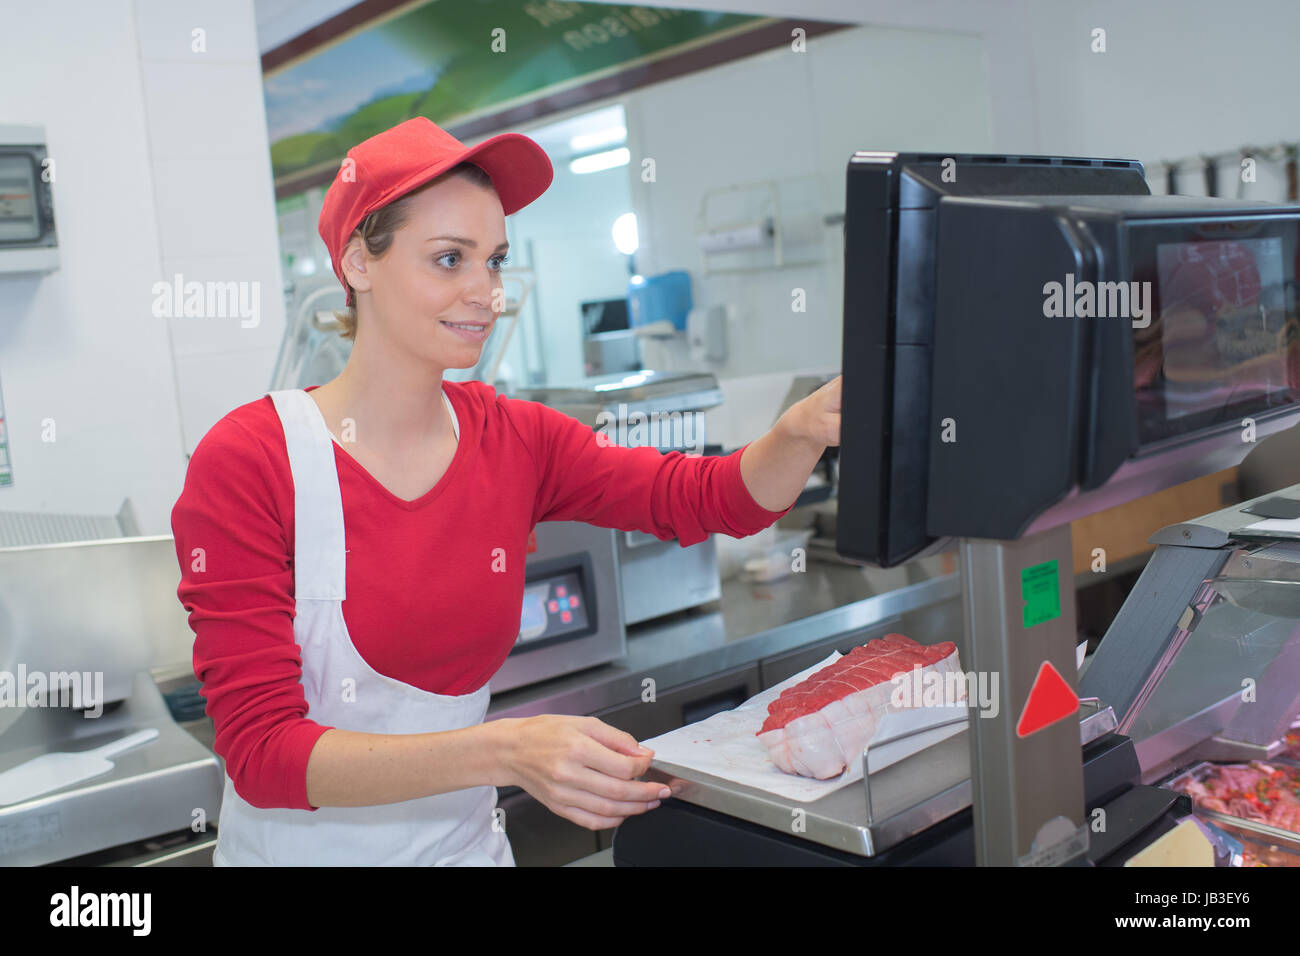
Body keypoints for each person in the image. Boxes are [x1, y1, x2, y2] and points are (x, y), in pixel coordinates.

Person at [171, 117, 842, 866]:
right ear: (359, 260)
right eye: (449, 259)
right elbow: (263, 754)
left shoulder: (515, 439)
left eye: (494, 261)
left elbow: (707, 499)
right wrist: (506, 751)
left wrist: (803, 430)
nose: (486, 293)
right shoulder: (252, 460)